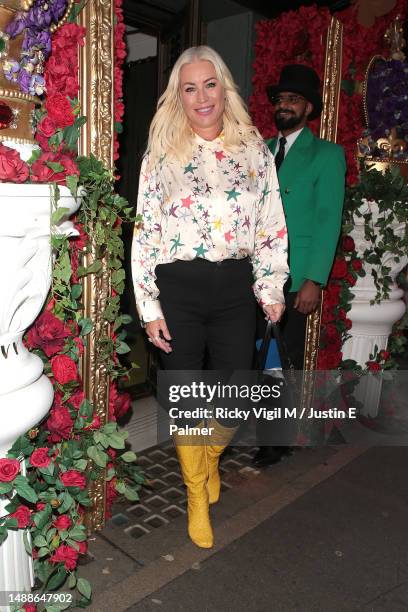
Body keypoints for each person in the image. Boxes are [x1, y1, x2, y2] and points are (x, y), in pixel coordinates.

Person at [131, 45, 289, 549]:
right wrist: (149, 305)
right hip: (178, 284)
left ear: (225, 88)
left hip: (235, 284)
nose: (202, 97)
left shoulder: (253, 148)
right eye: (189, 87)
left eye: (210, 84)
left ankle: (210, 456)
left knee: (238, 389)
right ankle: (196, 491)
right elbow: (145, 231)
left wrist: (270, 286)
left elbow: (270, 226)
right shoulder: (162, 152)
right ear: (179, 96)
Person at [253, 64, 346, 467]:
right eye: (280, 100)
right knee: (257, 352)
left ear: (309, 107)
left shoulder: (327, 155)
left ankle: (274, 442)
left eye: (293, 100)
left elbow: (329, 219)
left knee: (281, 356)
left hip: (296, 274)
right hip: (255, 272)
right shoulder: (260, 151)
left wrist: (313, 280)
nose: (284, 106)